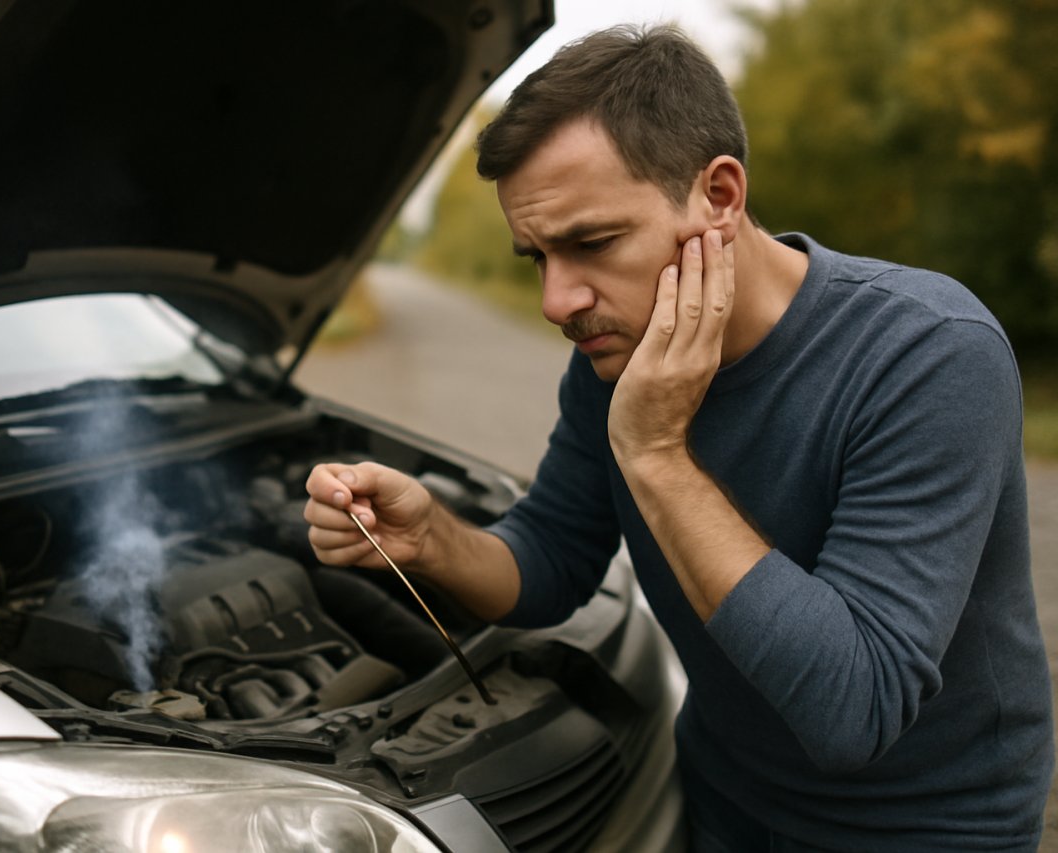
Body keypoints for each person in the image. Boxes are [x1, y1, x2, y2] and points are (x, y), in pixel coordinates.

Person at [303, 23, 1054, 851]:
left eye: (591, 243)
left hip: (931, 833)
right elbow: (553, 559)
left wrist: (658, 453)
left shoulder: (927, 353)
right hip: (720, 800)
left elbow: (854, 708)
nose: (558, 301)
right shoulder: (617, 353)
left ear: (721, 197)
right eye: (536, 258)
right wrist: (433, 539)